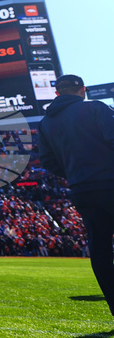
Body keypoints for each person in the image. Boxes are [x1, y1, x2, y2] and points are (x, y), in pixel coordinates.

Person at [37, 74, 114, 318]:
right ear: (83, 90)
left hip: (82, 188)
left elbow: (48, 161)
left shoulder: (45, 123)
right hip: (110, 181)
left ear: (57, 93)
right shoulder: (96, 108)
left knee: (100, 249)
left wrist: (73, 171)